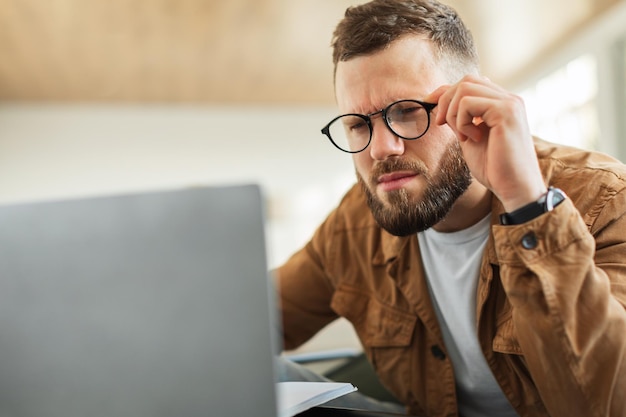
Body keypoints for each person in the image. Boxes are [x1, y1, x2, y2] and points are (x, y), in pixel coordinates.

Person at [275, 0, 626, 416]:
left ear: (471, 103)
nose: (382, 148)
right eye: (358, 124)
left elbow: (607, 403)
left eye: (406, 111)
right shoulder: (354, 222)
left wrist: (528, 205)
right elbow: (248, 320)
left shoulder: (605, 198)